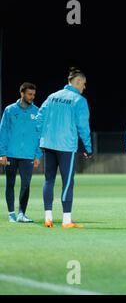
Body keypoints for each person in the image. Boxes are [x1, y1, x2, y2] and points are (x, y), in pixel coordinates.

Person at [35, 67, 93, 228]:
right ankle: (66, 220)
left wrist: (41, 140)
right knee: (67, 182)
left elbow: (39, 119)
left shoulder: (52, 97)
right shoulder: (79, 100)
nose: (84, 87)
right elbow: (83, 126)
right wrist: (88, 147)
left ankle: (48, 218)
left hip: (48, 144)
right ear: (78, 81)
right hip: (66, 146)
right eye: (84, 84)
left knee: (49, 180)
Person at [0, 82, 42, 223]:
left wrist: (38, 154)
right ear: (22, 93)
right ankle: (11, 214)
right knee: (10, 183)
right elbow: (3, 132)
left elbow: (40, 134)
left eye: (33, 95)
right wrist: (2, 153)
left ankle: (21, 214)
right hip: (11, 154)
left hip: (28, 155)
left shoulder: (37, 112)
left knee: (26, 184)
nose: (32, 97)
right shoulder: (10, 110)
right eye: (29, 94)